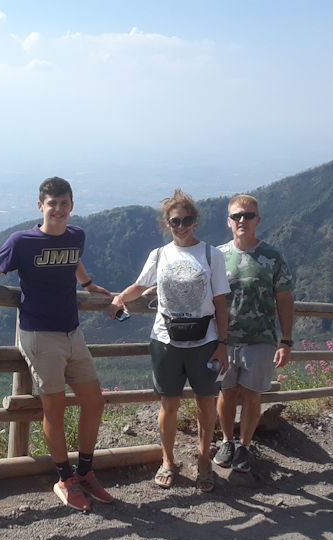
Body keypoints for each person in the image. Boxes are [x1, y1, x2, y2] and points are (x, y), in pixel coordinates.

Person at [0, 176, 114, 513]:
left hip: (72, 332)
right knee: (54, 409)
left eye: (64, 203)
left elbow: (74, 258)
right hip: (39, 335)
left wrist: (88, 284)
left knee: (94, 402)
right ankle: (64, 478)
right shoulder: (22, 242)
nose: (58, 209)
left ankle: (85, 471)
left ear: (72, 205)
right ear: (40, 206)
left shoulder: (76, 235)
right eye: (52, 204)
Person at [108, 188, 229, 492]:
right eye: (175, 221)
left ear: (195, 221)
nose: (181, 226)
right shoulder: (159, 255)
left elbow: (221, 303)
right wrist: (120, 298)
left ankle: (204, 461)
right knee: (168, 404)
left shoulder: (212, 255)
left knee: (206, 403)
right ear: (167, 223)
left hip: (205, 340)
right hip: (165, 340)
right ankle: (167, 460)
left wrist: (223, 343)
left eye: (187, 220)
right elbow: (140, 286)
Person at [215, 194, 294, 473]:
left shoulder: (272, 257)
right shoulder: (217, 256)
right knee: (226, 392)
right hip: (224, 339)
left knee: (252, 395)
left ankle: (245, 446)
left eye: (248, 215)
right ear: (228, 221)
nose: (242, 220)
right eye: (236, 216)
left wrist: (286, 340)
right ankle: (227, 441)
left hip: (261, 339)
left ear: (257, 220)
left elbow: (284, 299)